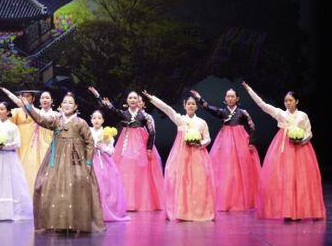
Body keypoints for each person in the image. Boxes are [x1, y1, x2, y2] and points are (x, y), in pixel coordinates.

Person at [20, 92, 105, 233]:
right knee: (50, 185)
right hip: (57, 159)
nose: (67, 105)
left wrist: (88, 162)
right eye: (65, 102)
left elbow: (90, 142)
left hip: (76, 160)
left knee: (75, 187)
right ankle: (59, 223)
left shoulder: (80, 123)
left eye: (70, 103)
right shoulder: (56, 120)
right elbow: (40, 119)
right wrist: (28, 107)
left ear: (76, 106)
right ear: (60, 105)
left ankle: (74, 223)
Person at [242, 82, 325, 220]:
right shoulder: (280, 113)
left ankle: (300, 211)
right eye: (286, 100)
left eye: (290, 100)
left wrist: (302, 140)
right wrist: (249, 90)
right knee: (283, 178)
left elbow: (309, 132)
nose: (288, 103)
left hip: (301, 149)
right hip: (283, 147)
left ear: (297, 101)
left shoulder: (302, 115)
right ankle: (287, 211)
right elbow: (262, 105)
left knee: (301, 179)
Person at [143, 91, 215, 221]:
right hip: (182, 155)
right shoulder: (180, 119)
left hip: (198, 155)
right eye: (189, 104)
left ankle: (198, 210)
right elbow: (167, 109)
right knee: (181, 182)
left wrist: (200, 143)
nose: (191, 106)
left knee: (198, 182)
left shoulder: (202, 122)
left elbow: (208, 138)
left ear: (196, 107)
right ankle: (182, 211)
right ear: (184, 105)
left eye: (193, 104)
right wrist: (151, 98)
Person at [89, 87, 164, 211]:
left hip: (140, 144)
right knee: (123, 170)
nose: (133, 100)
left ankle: (140, 202)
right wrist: (97, 95)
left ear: (139, 100)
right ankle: (125, 201)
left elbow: (152, 132)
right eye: (130, 98)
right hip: (125, 142)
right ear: (127, 101)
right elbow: (108, 107)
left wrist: (149, 148)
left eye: (135, 98)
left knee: (141, 171)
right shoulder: (123, 114)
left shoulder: (145, 116)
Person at [190, 88, 261, 211]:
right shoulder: (223, 112)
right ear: (225, 98)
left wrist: (251, 142)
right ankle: (226, 200)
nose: (230, 99)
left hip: (240, 142)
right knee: (226, 171)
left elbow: (252, 127)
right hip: (225, 143)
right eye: (228, 96)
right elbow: (208, 108)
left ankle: (242, 199)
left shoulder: (242, 112)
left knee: (242, 170)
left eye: (232, 96)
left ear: (237, 98)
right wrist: (199, 99)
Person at [2, 88, 58, 197]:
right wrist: (9, 96)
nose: (44, 100)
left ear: (51, 100)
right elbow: (22, 108)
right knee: (32, 171)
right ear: (39, 100)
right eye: (43, 98)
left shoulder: (56, 115)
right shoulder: (36, 112)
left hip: (49, 145)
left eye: (47, 98)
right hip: (34, 145)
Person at [89, 110, 130, 222]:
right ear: (91, 120)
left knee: (104, 185)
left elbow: (111, 151)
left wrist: (102, 148)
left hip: (103, 162)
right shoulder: (88, 131)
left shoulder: (107, 133)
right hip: (90, 160)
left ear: (103, 120)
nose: (96, 120)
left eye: (99, 118)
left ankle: (104, 211)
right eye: (94, 118)